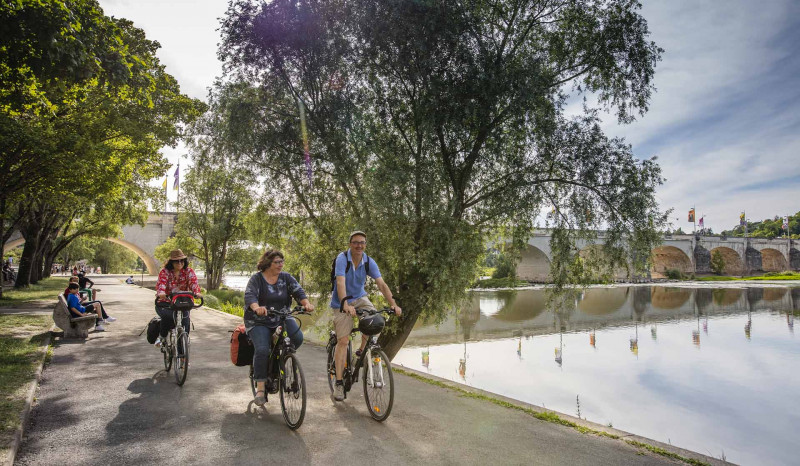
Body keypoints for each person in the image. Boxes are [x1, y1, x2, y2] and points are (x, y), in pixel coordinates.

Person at [330, 231, 401, 402]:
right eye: (355, 242)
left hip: (360, 298)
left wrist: (393, 304)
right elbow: (340, 282)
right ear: (350, 244)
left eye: (362, 242)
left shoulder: (368, 261)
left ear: (365, 245)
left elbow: (381, 284)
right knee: (343, 341)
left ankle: (361, 350)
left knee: (375, 321)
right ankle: (339, 383)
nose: (359, 245)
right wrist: (345, 304)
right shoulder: (342, 259)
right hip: (342, 300)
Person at [243, 249, 313, 406]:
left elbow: (298, 292)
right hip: (258, 320)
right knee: (262, 349)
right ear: (268, 263)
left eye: (282, 261)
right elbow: (250, 296)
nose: (281, 265)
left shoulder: (286, 277)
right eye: (277, 262)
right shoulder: (257, 279)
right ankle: (261, 388)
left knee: (297, 337)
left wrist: (306, 303)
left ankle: (279, 360)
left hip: (282, 316)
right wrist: (256, 308)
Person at [154, 249, 202, 348]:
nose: (180, 263)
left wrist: (196, 292)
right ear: (171, 262)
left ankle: (183, 354)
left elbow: (193, 283)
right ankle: (162, 337)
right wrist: (162, 292)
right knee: (168, 317)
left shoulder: (189, 271)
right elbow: (161, 283)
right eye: (177, 261)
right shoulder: (165, 272)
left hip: (182, 302)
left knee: (185, 322)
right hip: (166, 302)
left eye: (182, 261)